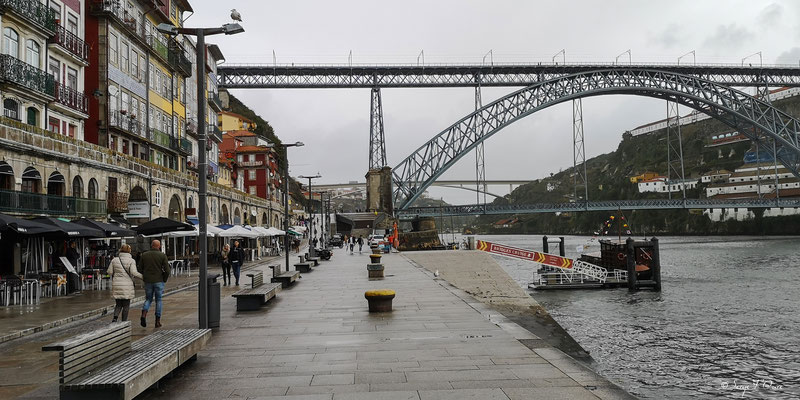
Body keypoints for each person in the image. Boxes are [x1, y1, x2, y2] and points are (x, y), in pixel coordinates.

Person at [107, 244, 143, 322]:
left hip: (116, 284)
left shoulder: (114, 260)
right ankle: (124, 321)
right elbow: (134, 272)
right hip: (127, 285)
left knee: (118, 304)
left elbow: (109, 272)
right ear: (129, 251)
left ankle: (115, 318)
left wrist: (116, 274)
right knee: (126, 305)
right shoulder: (131, 261)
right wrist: (143, 277)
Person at [139, 239, 170, 328]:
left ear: (151, 245)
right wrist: (164, 279)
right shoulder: (162, 255)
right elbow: (167, 270)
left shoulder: (144, 255)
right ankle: (157, 321)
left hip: (148, 281)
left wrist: (145, 275)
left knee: (148, 299)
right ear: (159, 246)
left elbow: (140, 268)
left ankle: (144, 315)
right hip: (159, 280)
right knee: (159, 300)